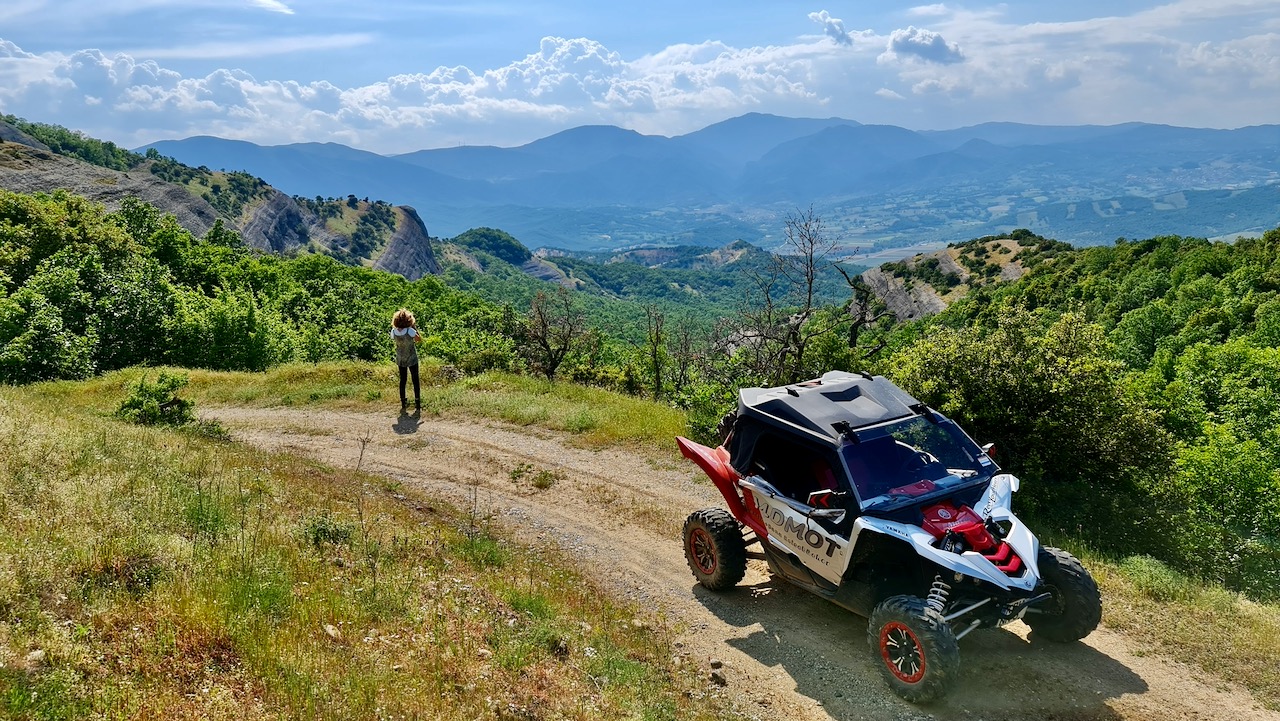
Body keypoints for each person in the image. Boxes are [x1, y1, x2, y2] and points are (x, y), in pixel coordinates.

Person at [390, 308, 422, 409]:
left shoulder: (393, 331)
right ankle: (417, 401)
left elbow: (393, 338)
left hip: (400, 357)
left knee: (402, 380)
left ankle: (403, 402)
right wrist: (414, 328)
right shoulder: (410, 330)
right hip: (412, 357)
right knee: (415, 379)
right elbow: (418, 339)